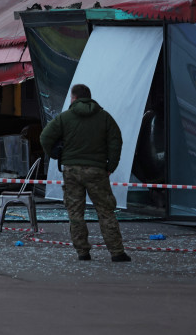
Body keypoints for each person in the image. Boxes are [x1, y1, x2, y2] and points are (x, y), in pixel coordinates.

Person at [40, 83, 131, 262]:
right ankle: (117, 252)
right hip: (97, 170)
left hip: (71, 171)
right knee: (106, 211)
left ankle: (83, 252)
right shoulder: (105, 118)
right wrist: (110, 166)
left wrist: (55, 154)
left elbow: (45, 137)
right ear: (89, 97)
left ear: (74, 98)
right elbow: (116, 141)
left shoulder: (64, 118)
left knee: (75, 212)